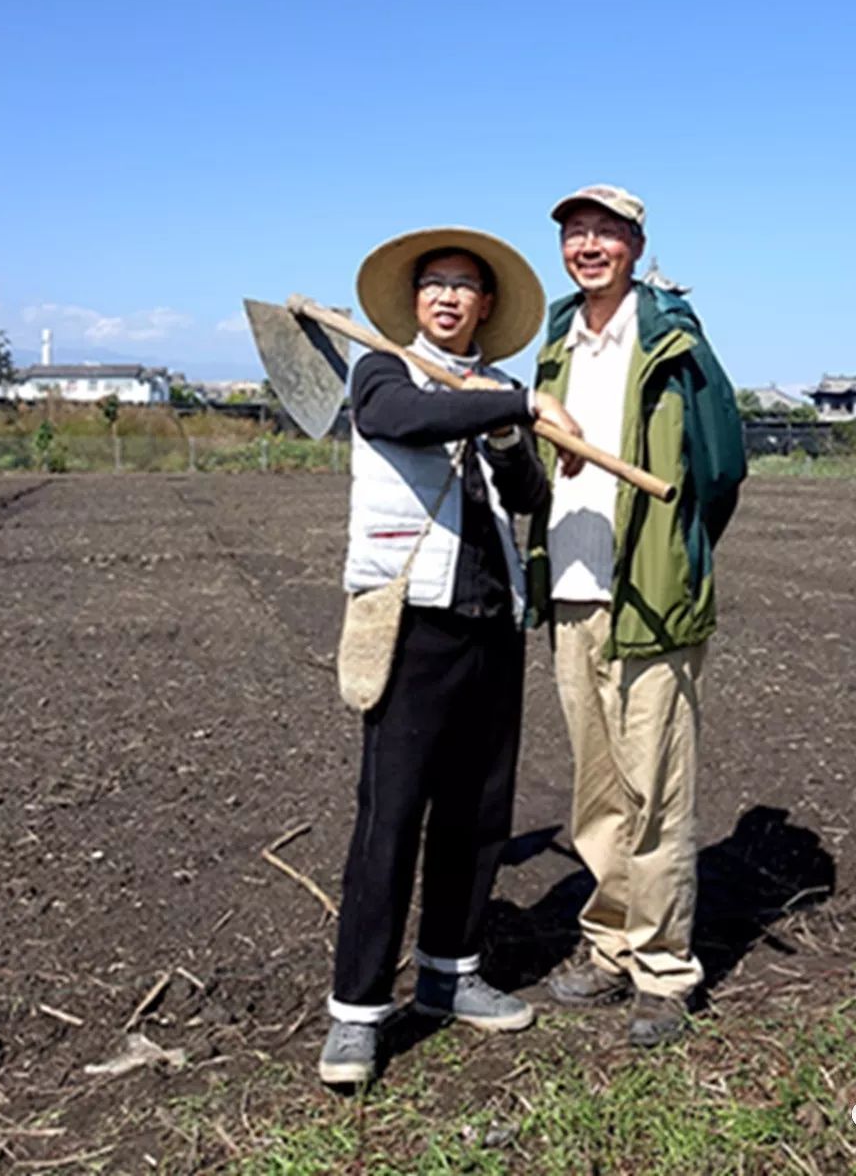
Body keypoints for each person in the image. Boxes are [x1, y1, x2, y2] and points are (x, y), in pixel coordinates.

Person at [319, 226, 581, 1087]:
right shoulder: (384, 370)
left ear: (487, 306)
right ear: (415, 299)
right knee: (390, 817)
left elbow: (532, 497)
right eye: (435, 283)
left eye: (466, 286)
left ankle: (450, 975)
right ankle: (357, 1012)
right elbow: (399, 421)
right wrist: (511, 409)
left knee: (478, 814)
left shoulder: (500, 389)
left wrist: (513, 436)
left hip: (491, 621)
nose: (448, 296)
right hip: (413, 620)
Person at [527, 184, 746, 1047]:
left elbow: (722, 466)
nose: (588, 246)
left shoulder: (675, 340)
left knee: (655, 789)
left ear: (634, 242)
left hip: (650, 596)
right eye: (575, 233)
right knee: (598, 788)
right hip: (572, 588)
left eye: (604, 233)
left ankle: (663, 969)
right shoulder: (554, 340)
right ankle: (608, 943)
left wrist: (676, 550)